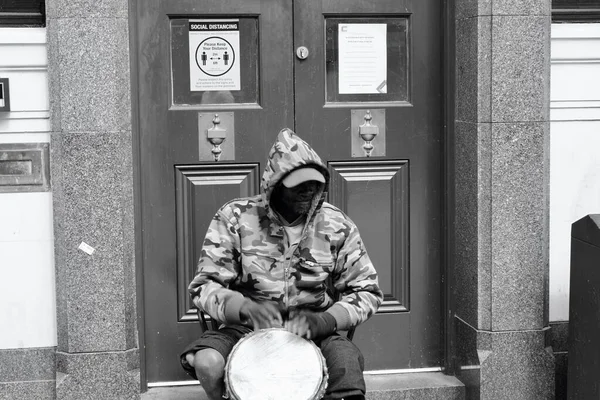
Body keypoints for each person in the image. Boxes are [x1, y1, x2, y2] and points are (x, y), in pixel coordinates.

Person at [180, 128, 383, 400]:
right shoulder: (235, 217)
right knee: (206, 362)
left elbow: (367, 291)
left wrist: (327, 319)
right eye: (298, 184)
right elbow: (204, 287)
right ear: (275, 185)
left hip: (315, 326)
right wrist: (244, 308)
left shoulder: (337, 224)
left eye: (314, 184)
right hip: (246, 325)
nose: (308, 191)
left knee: (347, 369)